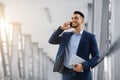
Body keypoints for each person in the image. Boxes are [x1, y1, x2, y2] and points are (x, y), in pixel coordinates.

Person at [48, 11, 99, 80]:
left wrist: (83, 66)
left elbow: (96, 57)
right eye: (72, 18)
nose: (73, 20)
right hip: (67, 73)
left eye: (76, 18)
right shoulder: (66, 35)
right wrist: (61, 28)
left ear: (82, 21)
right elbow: (51, 40)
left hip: (83, 74)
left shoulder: (90, 37)